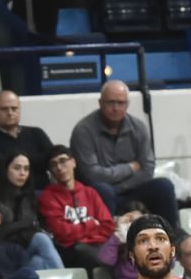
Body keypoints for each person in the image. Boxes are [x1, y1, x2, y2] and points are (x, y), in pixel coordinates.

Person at [70, 80, 181, 228]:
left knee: (164, 186)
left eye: (120, 103)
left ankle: (171, 237)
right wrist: (129, 168)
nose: (115, 108)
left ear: (127, 104)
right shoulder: (83, 130)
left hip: (132, 189)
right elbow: (91, 175)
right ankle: (107, 243)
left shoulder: (139, 128)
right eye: (110, 102)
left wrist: (118, 186)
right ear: (100, 102)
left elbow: (147, 169)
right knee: (102, 189)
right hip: (98, 193)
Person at [39, 145, 115, 272]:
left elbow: (108, 225)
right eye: (53, 164)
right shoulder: (48, 197)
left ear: (73, 162)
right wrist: (92, 224)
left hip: (98, 245)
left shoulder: (89, 192)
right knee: (87, 253)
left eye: (63, 161)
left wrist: (83, 235)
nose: (59, 167)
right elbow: (62, 234)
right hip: (72, 251)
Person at [0, 90, 55, 193]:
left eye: (14, 108)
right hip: (9, 197)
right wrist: (35, 161)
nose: (10, 113)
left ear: (19, 110)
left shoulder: (37, 134)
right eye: (4, 109)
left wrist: (15, 163)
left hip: (43, 194)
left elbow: (53, 161)